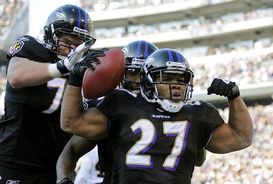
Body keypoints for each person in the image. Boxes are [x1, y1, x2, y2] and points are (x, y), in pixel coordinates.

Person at [61, 48, 253, 183]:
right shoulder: (123, 103)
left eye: (181, 79)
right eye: (167, 78)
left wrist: (234, 96)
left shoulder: (199, 113)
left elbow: (242, 138)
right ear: (148, 82)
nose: (176, 85)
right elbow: (71, 122)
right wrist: (75, 79)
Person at [0, 4, 104, 184]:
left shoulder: (85, 70)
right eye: (68, 43)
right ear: (51, 35)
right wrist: (62, 67)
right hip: (13, 162)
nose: (74, 51)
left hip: (54, 168)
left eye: (80, 46)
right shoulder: (32, 48)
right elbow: (16, 76)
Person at [56, 40, 159, 184]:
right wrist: (63, 180)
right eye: (132, 72)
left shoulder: (176, 110)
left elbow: (198, 158)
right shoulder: (112, 109)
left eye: (144, 74)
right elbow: (72, 149)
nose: (138, 80)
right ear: (120, 73)